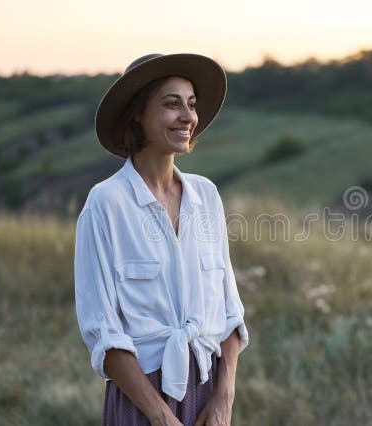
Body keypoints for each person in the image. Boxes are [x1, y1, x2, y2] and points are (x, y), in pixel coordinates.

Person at [74, 53, 249, 426]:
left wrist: (224, 397)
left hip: (207, 392)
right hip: (142, 401)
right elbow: (104, 334)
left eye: (191, 104)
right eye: (172, 104)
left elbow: (230, 313)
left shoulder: (207, 196)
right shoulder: (106, 204)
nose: (188, 117)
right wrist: (161, 417)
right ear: (137, 113)